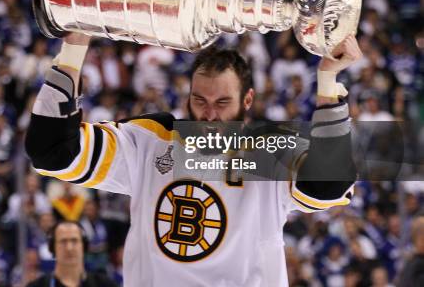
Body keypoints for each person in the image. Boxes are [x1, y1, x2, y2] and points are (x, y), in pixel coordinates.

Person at [25, 32, 362, 286]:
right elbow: (52, 151)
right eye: (199, 101)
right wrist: (75, 45)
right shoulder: (151, 140)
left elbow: (327, 186)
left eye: (221, 103)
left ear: (247, 100)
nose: (208, 115)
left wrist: (328, 84)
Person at [26, 221, 118, 287]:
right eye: (63, 241)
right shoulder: (37, 285)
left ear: (84, 246)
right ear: (52, 248)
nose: (69, 248)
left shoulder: (104, 284)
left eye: (74, 241)